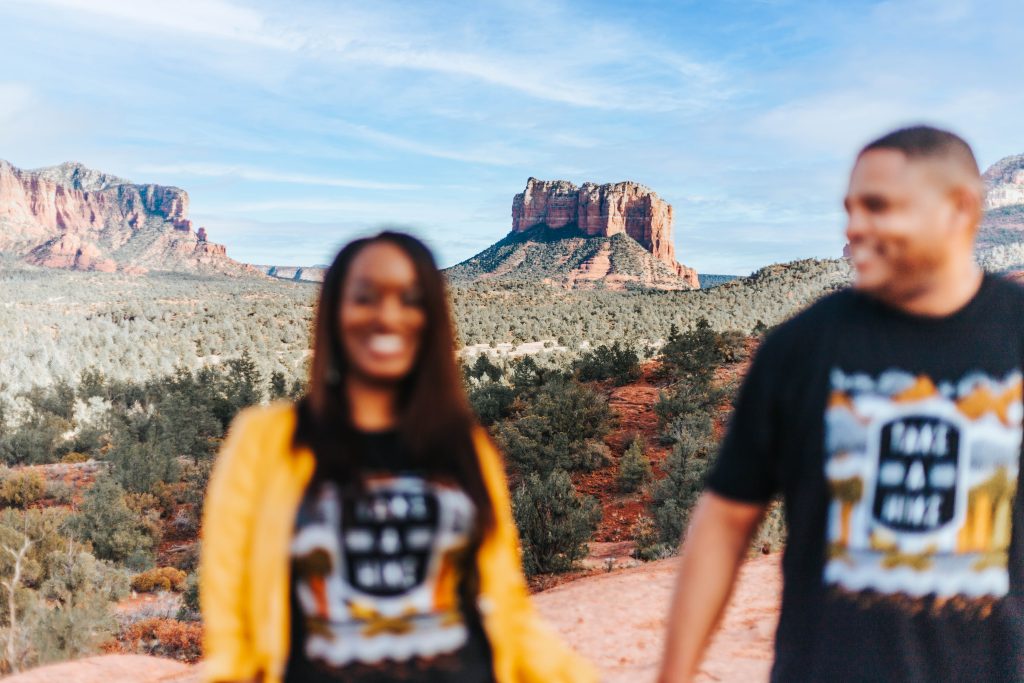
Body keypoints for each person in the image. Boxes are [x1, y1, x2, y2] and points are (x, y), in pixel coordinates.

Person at [658, 125, 1024, 682]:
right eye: (851, 208)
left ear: (960, 208)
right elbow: (725, 523)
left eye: (878, 207)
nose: (854, 228)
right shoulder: (799, 349)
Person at [200, 231, 598, 683]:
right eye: (365, 297)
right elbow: (230, 616)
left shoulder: (463, 444)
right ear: (334, 313)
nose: (388, 316)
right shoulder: (266, 440)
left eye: (410, 299)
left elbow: (504, 606)